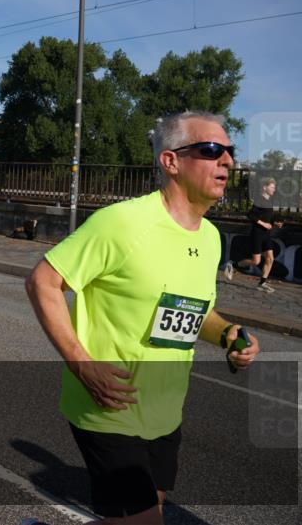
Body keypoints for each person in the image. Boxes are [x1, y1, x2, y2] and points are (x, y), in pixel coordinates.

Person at [24, 111, 260, 523]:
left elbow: (197, 309)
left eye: (229, 151)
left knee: (153, 506)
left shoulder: (209, 238)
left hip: (165, 410)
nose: (227, 161)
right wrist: (82, 364)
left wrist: (228, 335)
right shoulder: (121, 223)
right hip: (109, 407)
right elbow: (42, 282)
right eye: (211, 150)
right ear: (170, 162)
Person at [227, 177, 283, 292]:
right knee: (256, 261)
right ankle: (234, 265)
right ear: (265, 187)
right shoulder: (259, 200)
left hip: (266, 235)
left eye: (274, 187)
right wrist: (263, 224)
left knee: (270, 258)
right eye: (272, 187)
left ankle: (262, 283)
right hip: (257, 234)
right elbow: (250, 215)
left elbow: (269, 217)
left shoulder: (269, 201)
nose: (274, 189)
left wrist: (275, 222)